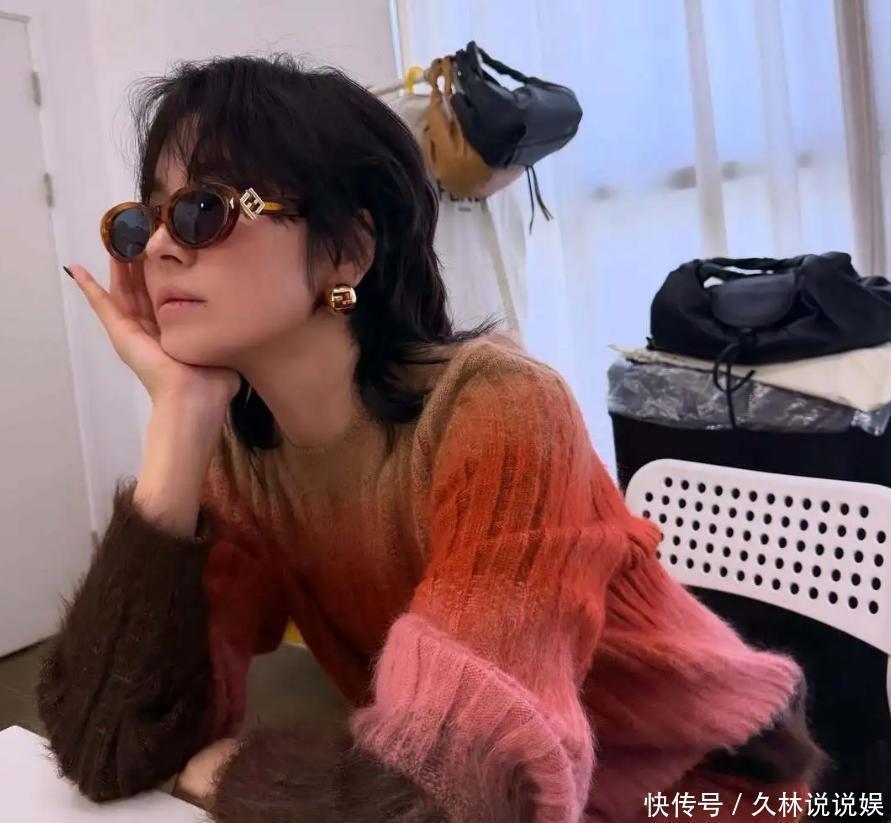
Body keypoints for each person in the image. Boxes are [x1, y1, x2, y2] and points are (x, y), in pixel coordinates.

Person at [38, 54, 824, 822]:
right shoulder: (241, 456)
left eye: (202, 210)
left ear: (346, 250)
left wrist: (227, 770)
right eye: (142, 221)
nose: (160, 248)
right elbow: (112, 741)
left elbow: (462, 790)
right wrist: (178, 421)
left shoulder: (500, 410)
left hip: (696, 783)